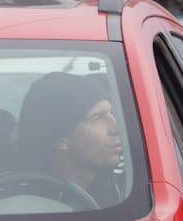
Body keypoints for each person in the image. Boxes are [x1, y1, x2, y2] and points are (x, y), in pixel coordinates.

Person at [16, 71, 123, 209]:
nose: (116, 128)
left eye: (111, 113)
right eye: (98, 118)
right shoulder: (16, 204)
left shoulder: (127, 193)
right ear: (61, 139)